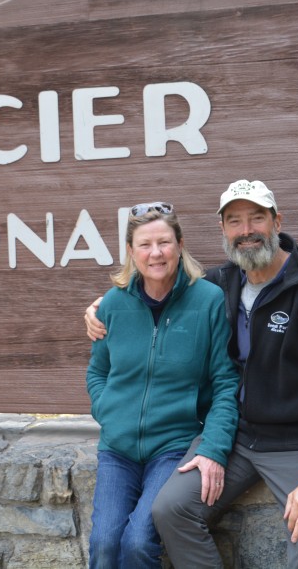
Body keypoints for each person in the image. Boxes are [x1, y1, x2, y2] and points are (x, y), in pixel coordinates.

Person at [86, 181, 298, 568]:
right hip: (238, 440)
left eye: (256, 218)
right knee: (171, 509)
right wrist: (104, 305)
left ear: (277, 221)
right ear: (222, 230)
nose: (246, 230)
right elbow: (157, 295)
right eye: (234, 220)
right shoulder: (223, 284)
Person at [85, 201, 239, 569]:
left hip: (172, 447)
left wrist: (215, 447)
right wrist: (108, 411)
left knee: (138, 542)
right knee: (104, 544)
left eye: (164, 242)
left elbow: (225, 382)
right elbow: (97, 372)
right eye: (145, 244)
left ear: (180, 245)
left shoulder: (208, 301)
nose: (156, 253)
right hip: (117, 449)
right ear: (130, 251)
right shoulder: (112, 304)